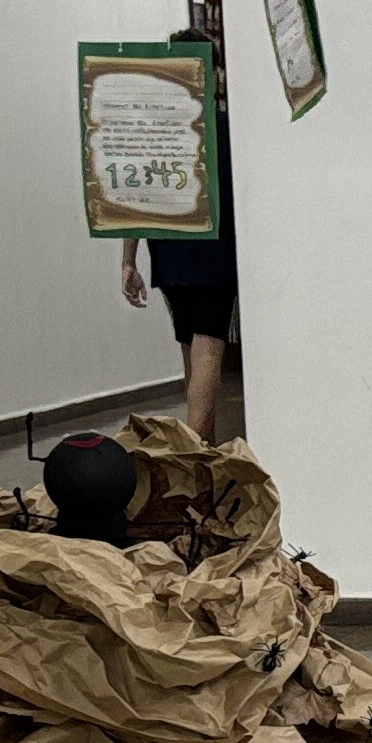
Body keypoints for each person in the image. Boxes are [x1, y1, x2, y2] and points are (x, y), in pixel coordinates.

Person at [121, 23, 241, 440]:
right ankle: (193, 457)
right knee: (207, 351)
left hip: (168, 253)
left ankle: (201, 450)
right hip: (214, 254)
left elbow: (135, 194)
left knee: (191, 350)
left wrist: (127, 261)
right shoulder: (228, 129)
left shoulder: (157, 135)